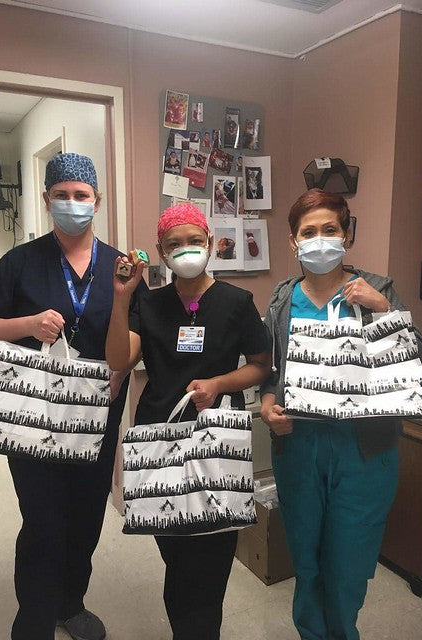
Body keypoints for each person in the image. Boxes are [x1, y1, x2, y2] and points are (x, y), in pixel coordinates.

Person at [0, 153, 145, 640]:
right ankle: (35, 617)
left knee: (86, 518)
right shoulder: (21, 261)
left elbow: (135, 338)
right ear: (46, 200)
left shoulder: (121, 266)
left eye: (81, 195)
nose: (72, 204)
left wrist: (122, 357)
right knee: (44, 521)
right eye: (61, 195)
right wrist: (27, 323)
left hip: (96, 418)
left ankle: (70, 603)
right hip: (34, 414)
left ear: (97, 202)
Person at [259, 188, 422, 640]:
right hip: (298, 448)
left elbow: (419, 363)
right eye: (308, 232)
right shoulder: (281, 300)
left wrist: (384, 310)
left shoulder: (378, 288)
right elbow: (269, 371)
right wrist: (266, 403)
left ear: (347, 234)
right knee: (307, 558)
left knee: (349, 564)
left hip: (365, 452)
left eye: (329, 230)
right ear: (293, 243)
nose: (319, 240)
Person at [106, 202, 271, 640]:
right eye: (174, 244)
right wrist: (122, 299)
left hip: (215, 438)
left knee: (212, 550)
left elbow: (260, 365)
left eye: (194, 241)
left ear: (211, 245)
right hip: (159, 440)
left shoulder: (237, 303)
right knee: (176, 552)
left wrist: (219, 382)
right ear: (161, 252)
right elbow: (119, 358)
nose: (186, 250)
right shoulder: (151, 303)